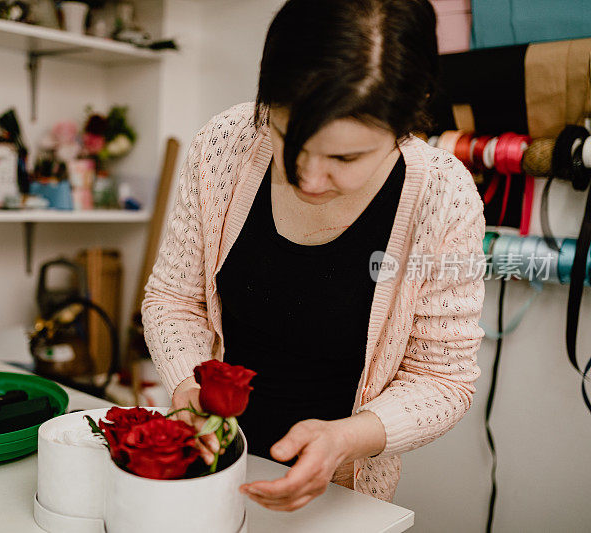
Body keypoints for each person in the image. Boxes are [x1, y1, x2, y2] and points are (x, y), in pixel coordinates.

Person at [142, 0, 485, 511]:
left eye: (345, 158)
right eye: (288, 139)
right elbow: (173, 298)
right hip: (208, 464)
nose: (309, 178)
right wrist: (189, 383)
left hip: (339, 493)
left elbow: (443, 379)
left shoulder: (444, 197)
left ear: (411, 115)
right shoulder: (226, 144)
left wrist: (348, 438)